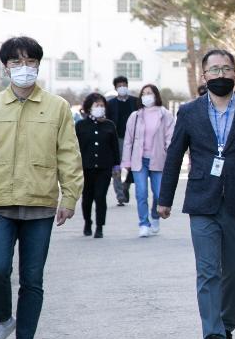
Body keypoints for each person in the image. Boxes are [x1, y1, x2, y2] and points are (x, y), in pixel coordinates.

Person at [0, 37, 83, 339]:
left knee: (32, 278)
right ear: (6, 67)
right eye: (16, 62)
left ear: (39, 66)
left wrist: (69, 196)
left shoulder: (57, 107)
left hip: (41, 205)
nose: (23, 68)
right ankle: (2, 320)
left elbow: (69, 155)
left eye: (30, 62)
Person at [157, 50, 235, 339]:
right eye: (214, 69)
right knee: (207, 270)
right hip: (202, 201)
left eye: (226, 69)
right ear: (203, 76)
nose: (220, 74)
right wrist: (164, 199)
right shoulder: (190, 112)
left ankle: (226, 326)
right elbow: (174, 155)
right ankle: (213, 336)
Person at [121, 84, 175, 238]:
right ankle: (143, 223)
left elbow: (170, 138)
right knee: (141, 193)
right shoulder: (135, 116)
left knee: (159, 194)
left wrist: (170, 157)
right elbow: (128, 141)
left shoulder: (165, 114)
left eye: (149, 93)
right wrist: (126, 162)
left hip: (158, 159)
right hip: (140, 160)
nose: (146, 96)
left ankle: (155, 216)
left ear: (156, 95)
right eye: (143, 93)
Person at [75, 92, 120, 239]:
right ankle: (87, 222)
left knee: (100, 196)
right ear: (89, 108)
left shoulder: (109, 125)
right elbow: (75, 148)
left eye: (102, 105)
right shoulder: (80, 125)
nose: (100, 108)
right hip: (86, 168)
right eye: (97, 105)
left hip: (104, 167)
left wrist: (116, 166)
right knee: (87, 197)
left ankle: (100, 226)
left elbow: (114, 147)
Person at [106, 76, 139, 206]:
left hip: (134, 139)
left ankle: (126, 186)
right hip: (117, 139)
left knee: (133, 166)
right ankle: (120, 195)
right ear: (115, 88)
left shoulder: (135, 101)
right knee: (117, 167)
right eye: (119, 85)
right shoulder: (111, 104)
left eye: (124, 85)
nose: (122, 87)